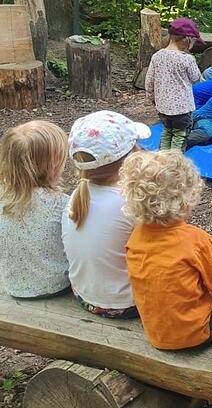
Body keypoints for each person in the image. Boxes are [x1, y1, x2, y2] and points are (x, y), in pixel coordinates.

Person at [119, 150, 212, 349]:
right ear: (186, 200)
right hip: (198, 334)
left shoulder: (136, 236)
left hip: (156, 333)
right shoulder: (195, 239)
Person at [62, 111, 150, 319]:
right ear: (131, 156)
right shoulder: (131, 203)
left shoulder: (77, 195)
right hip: (127, 303)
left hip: (84, 296)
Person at [0, 121, 70, 298]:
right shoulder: (61, 203)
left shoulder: (2, 198)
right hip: (57, 286)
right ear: (53, 165)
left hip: (13, 286)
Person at [145, 17, 203, 151]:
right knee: (180, 135)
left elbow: (149, 80)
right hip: (182, 108)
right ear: (187, 39)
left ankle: (163, 157)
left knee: (166, 131)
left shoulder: (157, 56)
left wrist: (151, 97)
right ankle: (175, 160)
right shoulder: (187, 59)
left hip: (163, 106)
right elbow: (196, 78)